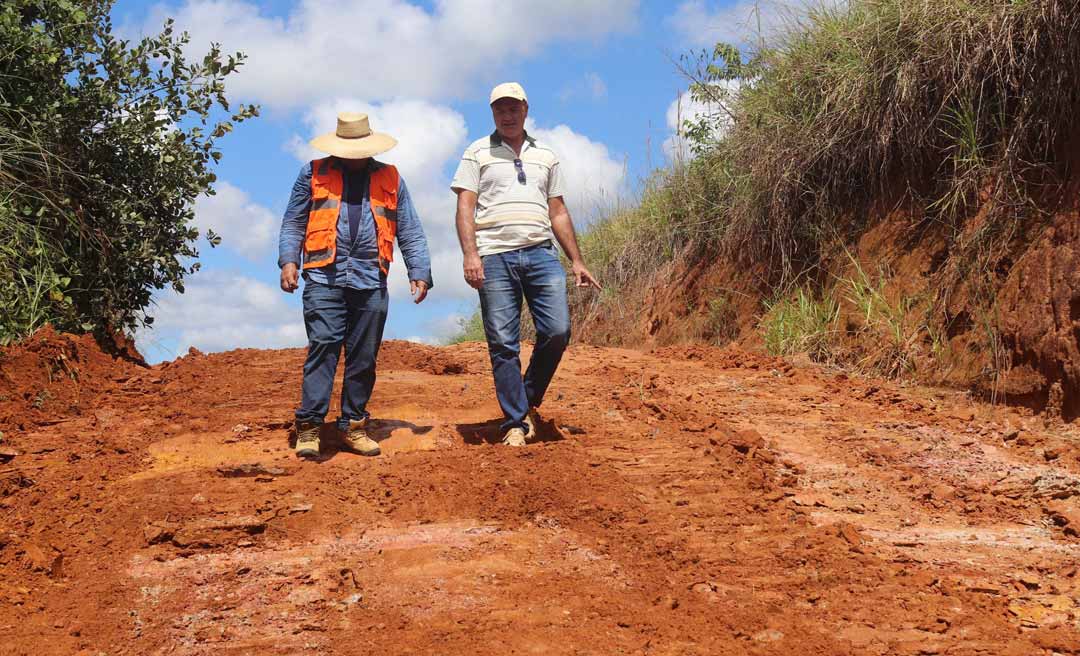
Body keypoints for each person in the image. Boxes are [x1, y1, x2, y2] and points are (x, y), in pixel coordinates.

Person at [451, 82, 601, 447]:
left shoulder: (546, 155)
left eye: (513, 108)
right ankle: (515, 423)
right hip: (494, 256)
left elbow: (559, 211)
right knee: (503, 342)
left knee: (558, 332)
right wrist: (471, 254)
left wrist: (577, 261)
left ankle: (526, 397)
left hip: (540, 253)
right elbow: (465, 207)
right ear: (492, 113)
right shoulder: (476, 153)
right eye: (500, 109)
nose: (507, 114)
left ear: (525, 110)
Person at [279, 112, 432, 459]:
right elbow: (293, 221)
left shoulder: (390, 177)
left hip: (371, 278)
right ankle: (310, 428)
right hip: (323, 276)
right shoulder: (313, 172)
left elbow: (409, 227)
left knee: (364, 356)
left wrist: (419, 269)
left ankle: (353, 425)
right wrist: (289, 260)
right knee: (324, 345)